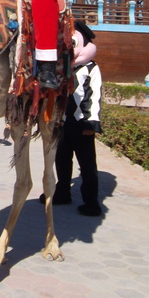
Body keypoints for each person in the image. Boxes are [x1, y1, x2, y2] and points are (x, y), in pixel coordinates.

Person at [54, 21, 103, 216]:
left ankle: (91, 201)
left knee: (87, 164)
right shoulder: (62, 67)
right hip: (63, 122)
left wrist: (91, 123)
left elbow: (95, 97)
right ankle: (62, 191)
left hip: (82, 123)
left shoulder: (91, 68)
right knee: (61, 158)